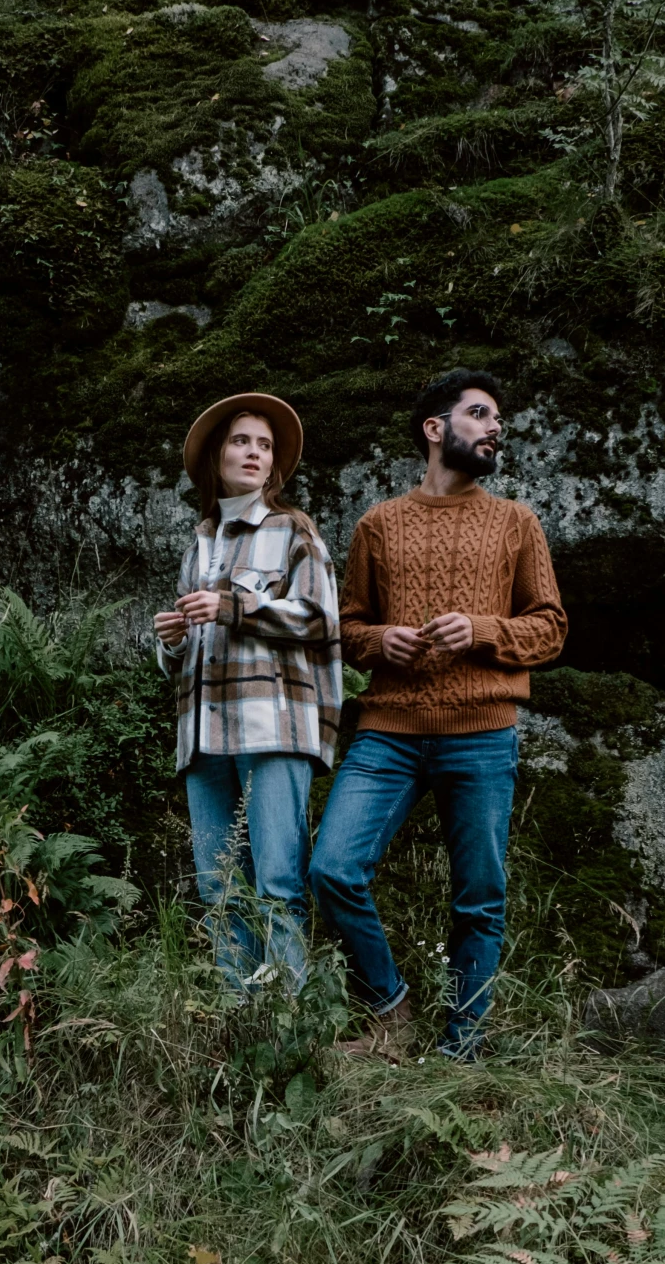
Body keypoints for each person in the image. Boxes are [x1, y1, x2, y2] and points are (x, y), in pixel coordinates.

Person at [309, 367, 567, 1059]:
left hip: (483, 735)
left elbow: (550, 628)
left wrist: (482, 630)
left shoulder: (516, 522)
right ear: (435, 428)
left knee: (478, 898)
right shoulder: (378, 524)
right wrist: (377, 641)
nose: (493, 429)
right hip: (387, 732)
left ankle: (460, 1049)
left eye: (496, 420)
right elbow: (346, 626)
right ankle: (389, 1008)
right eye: (479, 414)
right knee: (331, 868)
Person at [155, 392, 343, 996]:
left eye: (264, 446)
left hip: (273, 729)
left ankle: (286, 1026)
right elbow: (188, 656)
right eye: (242, 441)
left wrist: (235, 606)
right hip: (203, 737)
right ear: (217, 456)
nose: (255, 453)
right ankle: (239, 1023)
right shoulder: (199, 545)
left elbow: (319, 619)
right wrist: (174, 640)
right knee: (218, 888)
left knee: (276, 883)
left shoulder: (295, 531)